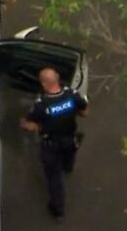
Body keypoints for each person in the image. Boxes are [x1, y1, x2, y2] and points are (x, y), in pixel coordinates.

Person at [21, 67, 88, 222]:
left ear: (44, 84)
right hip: (70, 140)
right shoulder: (73, 96)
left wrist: (24, 123)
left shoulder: (41, 105)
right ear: (57, 77)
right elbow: (85, 112)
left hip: (51, 145)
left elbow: (32, 125)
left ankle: (58, 210)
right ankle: (68, 166)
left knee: (54, 178)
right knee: (69, 155)